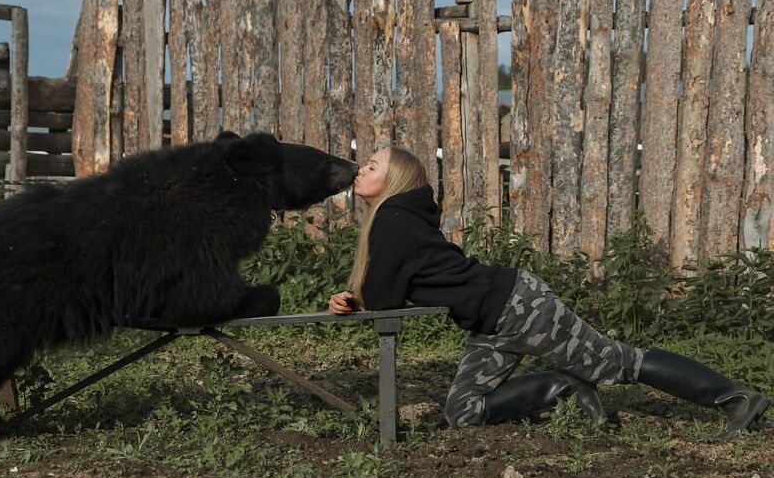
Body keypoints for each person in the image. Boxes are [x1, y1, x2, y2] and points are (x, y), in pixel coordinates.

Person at [328, 146, 769, 439]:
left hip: (519, 308)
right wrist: (352, 297)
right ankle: (563, 387)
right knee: (463, 410)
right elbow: (387, 287)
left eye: (373, 165)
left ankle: (736, 398)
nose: (362, 168)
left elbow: (384, 299)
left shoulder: (392, 221)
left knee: (616, 361)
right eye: (366, 162)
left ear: (395, 181)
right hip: (491, 321)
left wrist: (356, 298)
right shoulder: (397, 220)